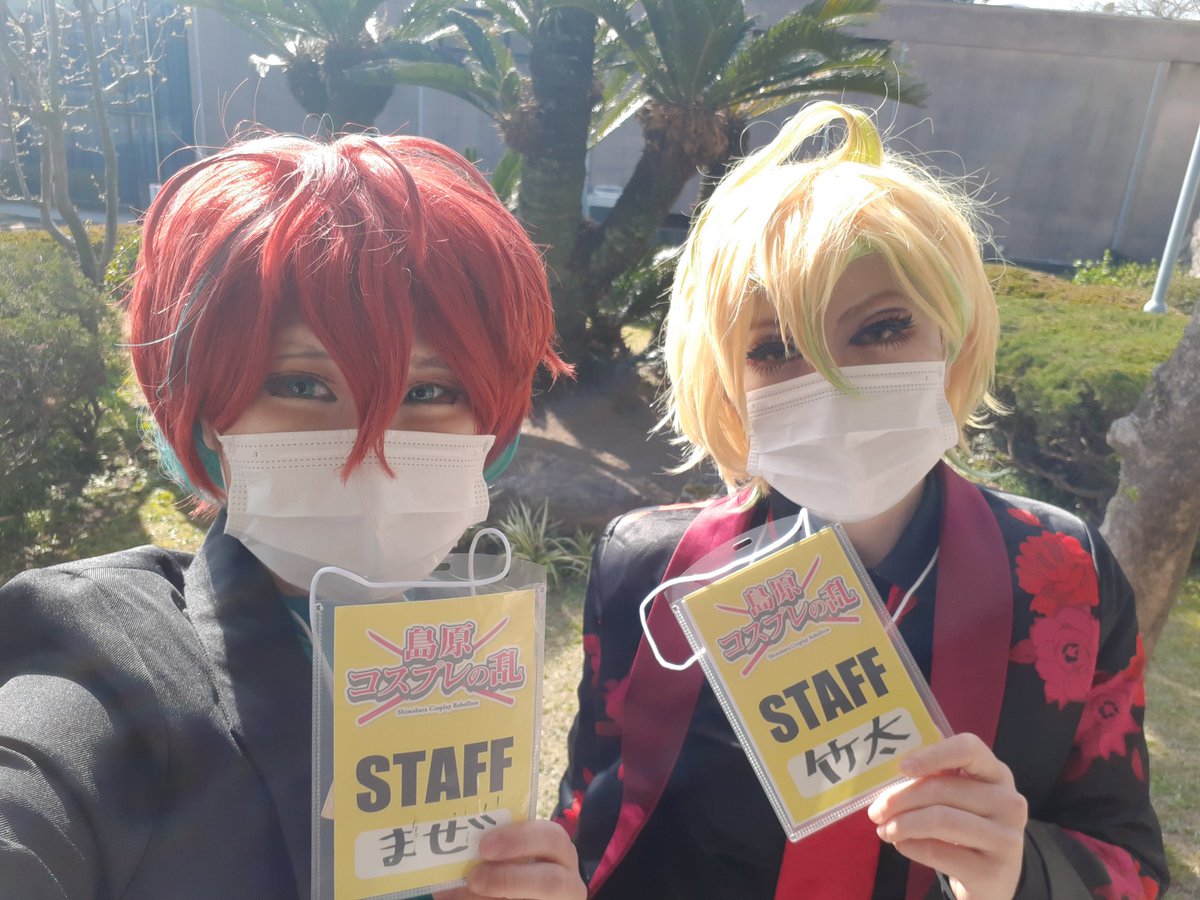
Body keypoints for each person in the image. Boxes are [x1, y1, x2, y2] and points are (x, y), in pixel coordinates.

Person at [556, 102, 1168, 899]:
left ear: (951, 337)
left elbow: (1129, 862)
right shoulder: (650, 573)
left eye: (881, 329)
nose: (833, 381)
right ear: (726, 381)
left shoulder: (1064, 573)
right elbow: (594, 833)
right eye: (775, 347)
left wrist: (1020, 874)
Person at [0, 132, 585, 900]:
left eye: (431, 392)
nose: (372, 450)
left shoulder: (473, 660)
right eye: (303, 385)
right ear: (209, 412)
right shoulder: (106, 657)